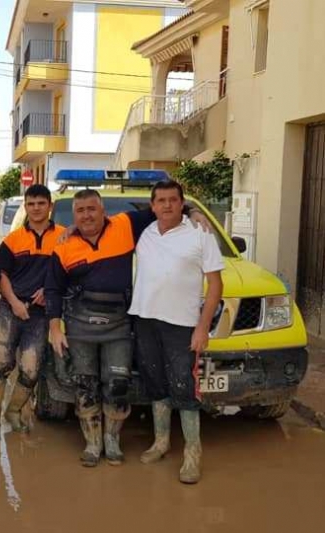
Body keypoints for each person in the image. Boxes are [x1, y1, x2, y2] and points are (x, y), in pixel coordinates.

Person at [45, 190, 158, 467]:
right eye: (80, 210)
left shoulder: (125, 225)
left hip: (119, 324)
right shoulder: (64, 247)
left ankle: (112, 441)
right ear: (74, 215)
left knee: (118, 385)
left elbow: (163, 209)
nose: (87, 215)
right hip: (79, 325)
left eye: (91, 209)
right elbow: (53, 289)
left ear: (102, 209)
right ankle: (93, 444)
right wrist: (56, 328)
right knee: (85, 386)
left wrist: (195, 214)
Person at [128, 180, 223, 484]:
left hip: (182, 325)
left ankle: (193, 454)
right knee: (155, 382)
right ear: (152, 205)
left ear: (182, 203)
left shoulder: (200, 234)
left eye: (173, 200)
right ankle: (161, 442)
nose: (167, 205)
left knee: (184, 386)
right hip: (145, 319)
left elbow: (216, 286)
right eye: (161, 201)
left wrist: (202, 327)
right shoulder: (145, 232)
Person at [0, 184, 63, 443]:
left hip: (42, 313)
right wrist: (14, 302)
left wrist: (49, 290)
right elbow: (1, 275)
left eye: (41, 203)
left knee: (31, 370)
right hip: (11, 308)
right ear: (26, 207)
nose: (36, 208)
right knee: (0, 364)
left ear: (49, 206)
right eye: (31, 204)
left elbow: (68, 272)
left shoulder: (64, 237)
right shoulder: (13, 240)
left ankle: (13, 410)